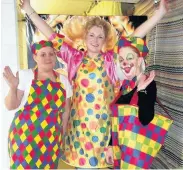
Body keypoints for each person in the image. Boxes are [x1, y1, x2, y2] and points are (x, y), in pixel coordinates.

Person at [19, 0, 168, 168]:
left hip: (105, 132)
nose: (95, 40)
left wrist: (159, 14)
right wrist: (29, 10)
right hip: (79, 132)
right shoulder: (74, 58)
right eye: (91, 35)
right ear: (85, 37)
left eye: (100, 37)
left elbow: (134, 37)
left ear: (105, 40)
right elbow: (51, 34)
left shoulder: (111, 59)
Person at [3, 40, 72, 169]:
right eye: (43, 54)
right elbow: (10, 106)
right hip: (24, 138)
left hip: (50, 139)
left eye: (51, 54)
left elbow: (66, 112)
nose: (48, 58)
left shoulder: (64, 81)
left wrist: (61, 136)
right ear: (35, 57)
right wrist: (13, 87)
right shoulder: (25, 75)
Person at [107, 36, 157, 168]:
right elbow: (116, 120)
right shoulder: (125, 85)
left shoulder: (148, 84)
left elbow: (146, 119)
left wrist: (142, 91)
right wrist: (110, 146)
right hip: (120, 150)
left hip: (135, 152)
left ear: (140, 60)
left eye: (129, 58)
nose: (124, 63)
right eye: (121, 59)